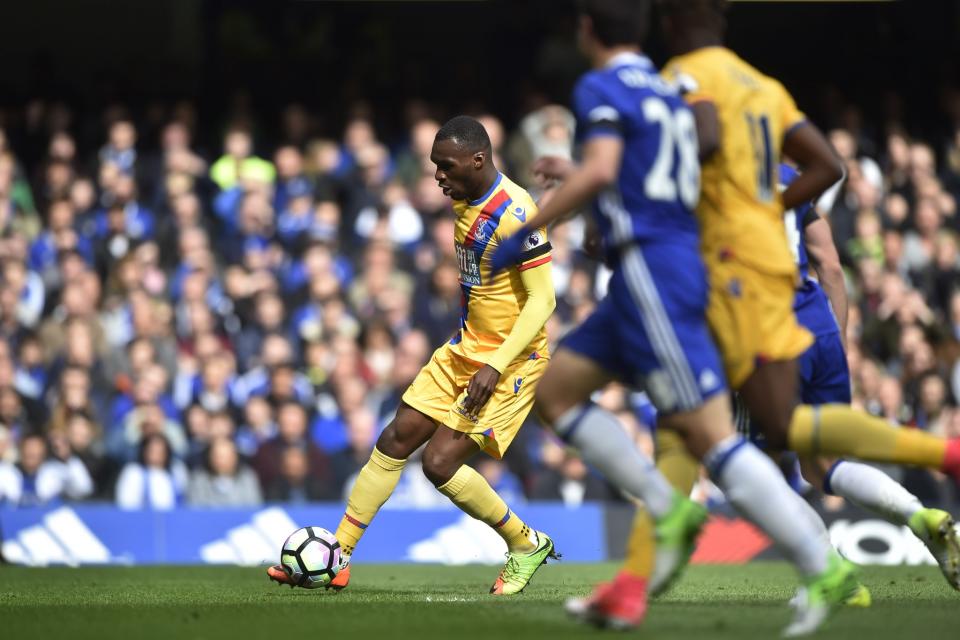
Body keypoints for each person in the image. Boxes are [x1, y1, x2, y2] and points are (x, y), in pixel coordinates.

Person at [491, 1, 856, 634]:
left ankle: (816, 563)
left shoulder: (599, 85)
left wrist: (528, 227)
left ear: (587, 30)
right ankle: (666, 511)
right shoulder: (670, 89)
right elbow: (677, 158)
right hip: (651, 271)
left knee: (711, 439)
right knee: (555, 391)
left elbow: (608, 168)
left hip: (656, 275)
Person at [268, 115, 559, 595]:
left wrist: (494, 363)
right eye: (434, 166)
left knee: (439, 464)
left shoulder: (515, 213)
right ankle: (336, 556)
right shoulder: (465, 198)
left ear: (478, 160)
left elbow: (543, 301)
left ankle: (525, 544)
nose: (437, 176)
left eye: (445, 166)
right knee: (395, 438)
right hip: (465, 347)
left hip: (511, 361)